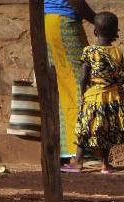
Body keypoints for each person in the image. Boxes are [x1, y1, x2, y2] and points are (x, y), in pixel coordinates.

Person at [44, 0, 96, 170]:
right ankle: (78, 151)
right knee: (81, 84)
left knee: (65, 88)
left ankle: (66, 150)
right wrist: (98, 21)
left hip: (52, 22)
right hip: (64, 23)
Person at [71, 12, 124, 174]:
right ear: (116, 33)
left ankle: (78, 162)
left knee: (85, 128)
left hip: (93, 95)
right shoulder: (117, 52)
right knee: (107, 129)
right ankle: (105, 164)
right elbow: (121, 78)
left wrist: (83, 93)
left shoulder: (89, 51)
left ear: (95, 31)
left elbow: (82, 77)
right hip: (111, 97)